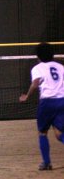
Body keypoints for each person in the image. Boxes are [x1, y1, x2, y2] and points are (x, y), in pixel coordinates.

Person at [19, 42, 64, 170]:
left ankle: (47, 163)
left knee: (42, 133)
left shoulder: (37, 68)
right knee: (59, 133)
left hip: (47, 103)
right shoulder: (60, 67)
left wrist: (27, 96)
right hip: (62, 101)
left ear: (38, 56)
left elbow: (35, 83)